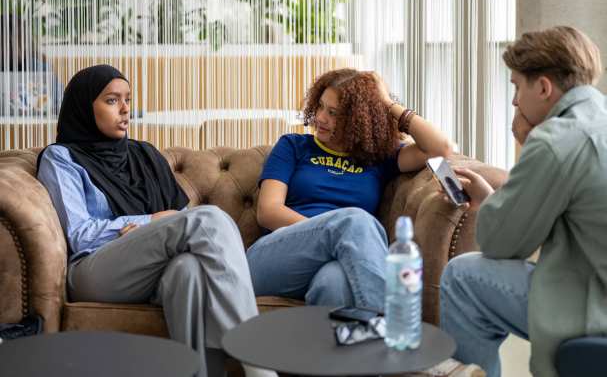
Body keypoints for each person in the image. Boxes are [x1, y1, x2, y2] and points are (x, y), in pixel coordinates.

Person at [36, 64, 276, 377]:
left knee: (186, 271)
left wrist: (146, 231)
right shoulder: (62, 158)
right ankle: (260, 366)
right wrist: (150, 222)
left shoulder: (143, 155)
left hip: (148, 267)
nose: (124, 109)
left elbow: (174, 219)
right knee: (209, 220)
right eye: (111, 101)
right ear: (84, 106)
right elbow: (80, 235)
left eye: (128, 100)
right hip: (92, 270)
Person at [439, 26, 607, 377]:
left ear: (544, 87)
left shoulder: (557, 139)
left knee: (462, 276)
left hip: (594, 307)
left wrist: (486, 203)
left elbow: (502, 243)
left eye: (517, 87)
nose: (514, 101)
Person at [247, 68, 453, 311]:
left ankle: (340, 346)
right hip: (276, 258)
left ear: (357, 119)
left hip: (342, 259)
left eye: (333, 113)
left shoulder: (378, 157)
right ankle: (390, 325)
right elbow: (268, 211)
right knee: (354, 221)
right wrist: (332, 233)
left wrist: (387, 104)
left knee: (335, 284)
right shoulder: (293, 146)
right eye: (320, 106)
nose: (321, 117)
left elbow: (441, 149)